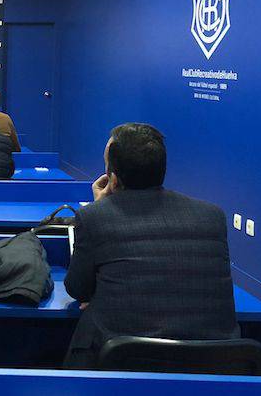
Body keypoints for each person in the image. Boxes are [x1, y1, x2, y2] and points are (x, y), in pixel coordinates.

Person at [63, 123, 239, 368]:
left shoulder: (94, 218)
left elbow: (77, 288)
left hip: (123, 365)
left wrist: (99, 208)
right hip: (212, 367)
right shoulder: (212, 216)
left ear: (112, 179)